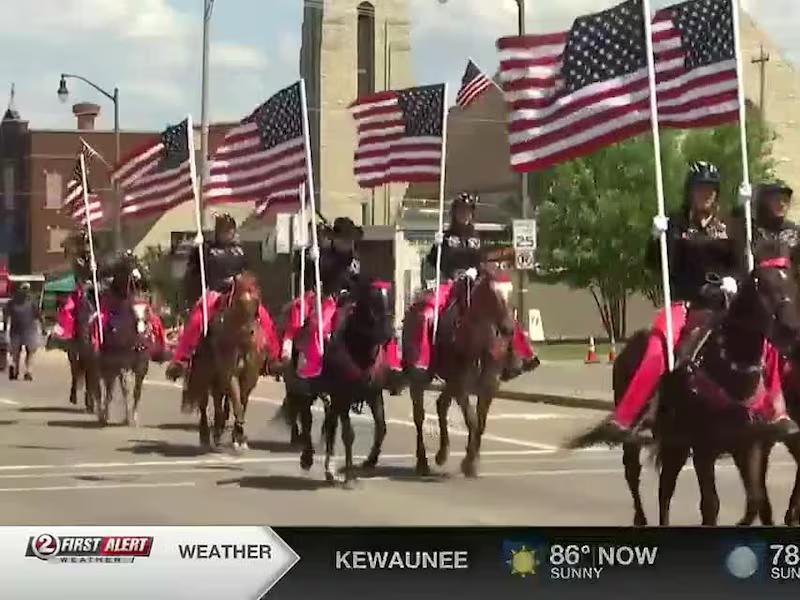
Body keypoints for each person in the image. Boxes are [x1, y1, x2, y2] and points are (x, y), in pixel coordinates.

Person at [604, 161, 798, 441]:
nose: (705, 195)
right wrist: (655, 239)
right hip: (685, 302)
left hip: (724, 303)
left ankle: (774, 410)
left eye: (710, 190)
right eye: (699, 189)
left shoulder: (731, 225)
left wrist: (734, 277)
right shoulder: (675, 224)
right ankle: (631, 416)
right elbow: (657, 264)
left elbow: (745, 262)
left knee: (766, 342)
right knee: (659, 348)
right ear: (690, 193)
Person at [403, 192, 539, 380]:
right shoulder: (446, 237)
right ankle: (423, 359)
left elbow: (480, 258)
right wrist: (438, 249)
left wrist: (481, 265)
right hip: (450, 282)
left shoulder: (476, 236)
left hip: (475, 281)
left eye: (467, 211)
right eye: (461, 211)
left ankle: (520, 356)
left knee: (502, 309)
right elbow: (437, 261)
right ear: (454, 213)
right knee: (427, 314)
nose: (464, 215)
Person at [166, 214, 279, 380]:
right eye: (224, 229)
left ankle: (273, 357)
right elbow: (194, 272)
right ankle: (182, 358)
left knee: (263, 315)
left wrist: (247, 284)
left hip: (238, 291)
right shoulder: (206, 248)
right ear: (218, 231)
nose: (228, 233)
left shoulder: (240, 250)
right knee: (199, 318)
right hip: (216, 292)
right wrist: (197, 256)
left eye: (230, 229)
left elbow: (247, 271)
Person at [296, 217, 364, 380]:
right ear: (335, 240)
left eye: (350, 239)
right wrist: (309, 255)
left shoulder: (355, 258)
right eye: (344, 239)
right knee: (317, 325)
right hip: (330, 299)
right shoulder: (321, 256)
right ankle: (312, 361)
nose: (348, 243)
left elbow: (358, 280)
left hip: (352, 300)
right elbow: (308, 275)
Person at [50, 230, 97, 347]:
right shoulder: (77, 260)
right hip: (83, 287)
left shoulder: (96, 257)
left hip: (99, 286)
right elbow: (81, 272)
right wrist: (89, 268)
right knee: (76, 305)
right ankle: (70, 331)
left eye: (87, 243)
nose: (86, 247)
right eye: (84, 244)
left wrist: (97, 267)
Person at [4, 282, 41, 381]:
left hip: (15, 329)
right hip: (29, 329)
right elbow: (38, 315)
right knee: (31, 352)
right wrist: (42, 327)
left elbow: (6, 316)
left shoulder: (11, 303)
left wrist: (5, 328)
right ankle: (28, 371)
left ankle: (14, 369)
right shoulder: (33, 302)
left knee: (15, 352)